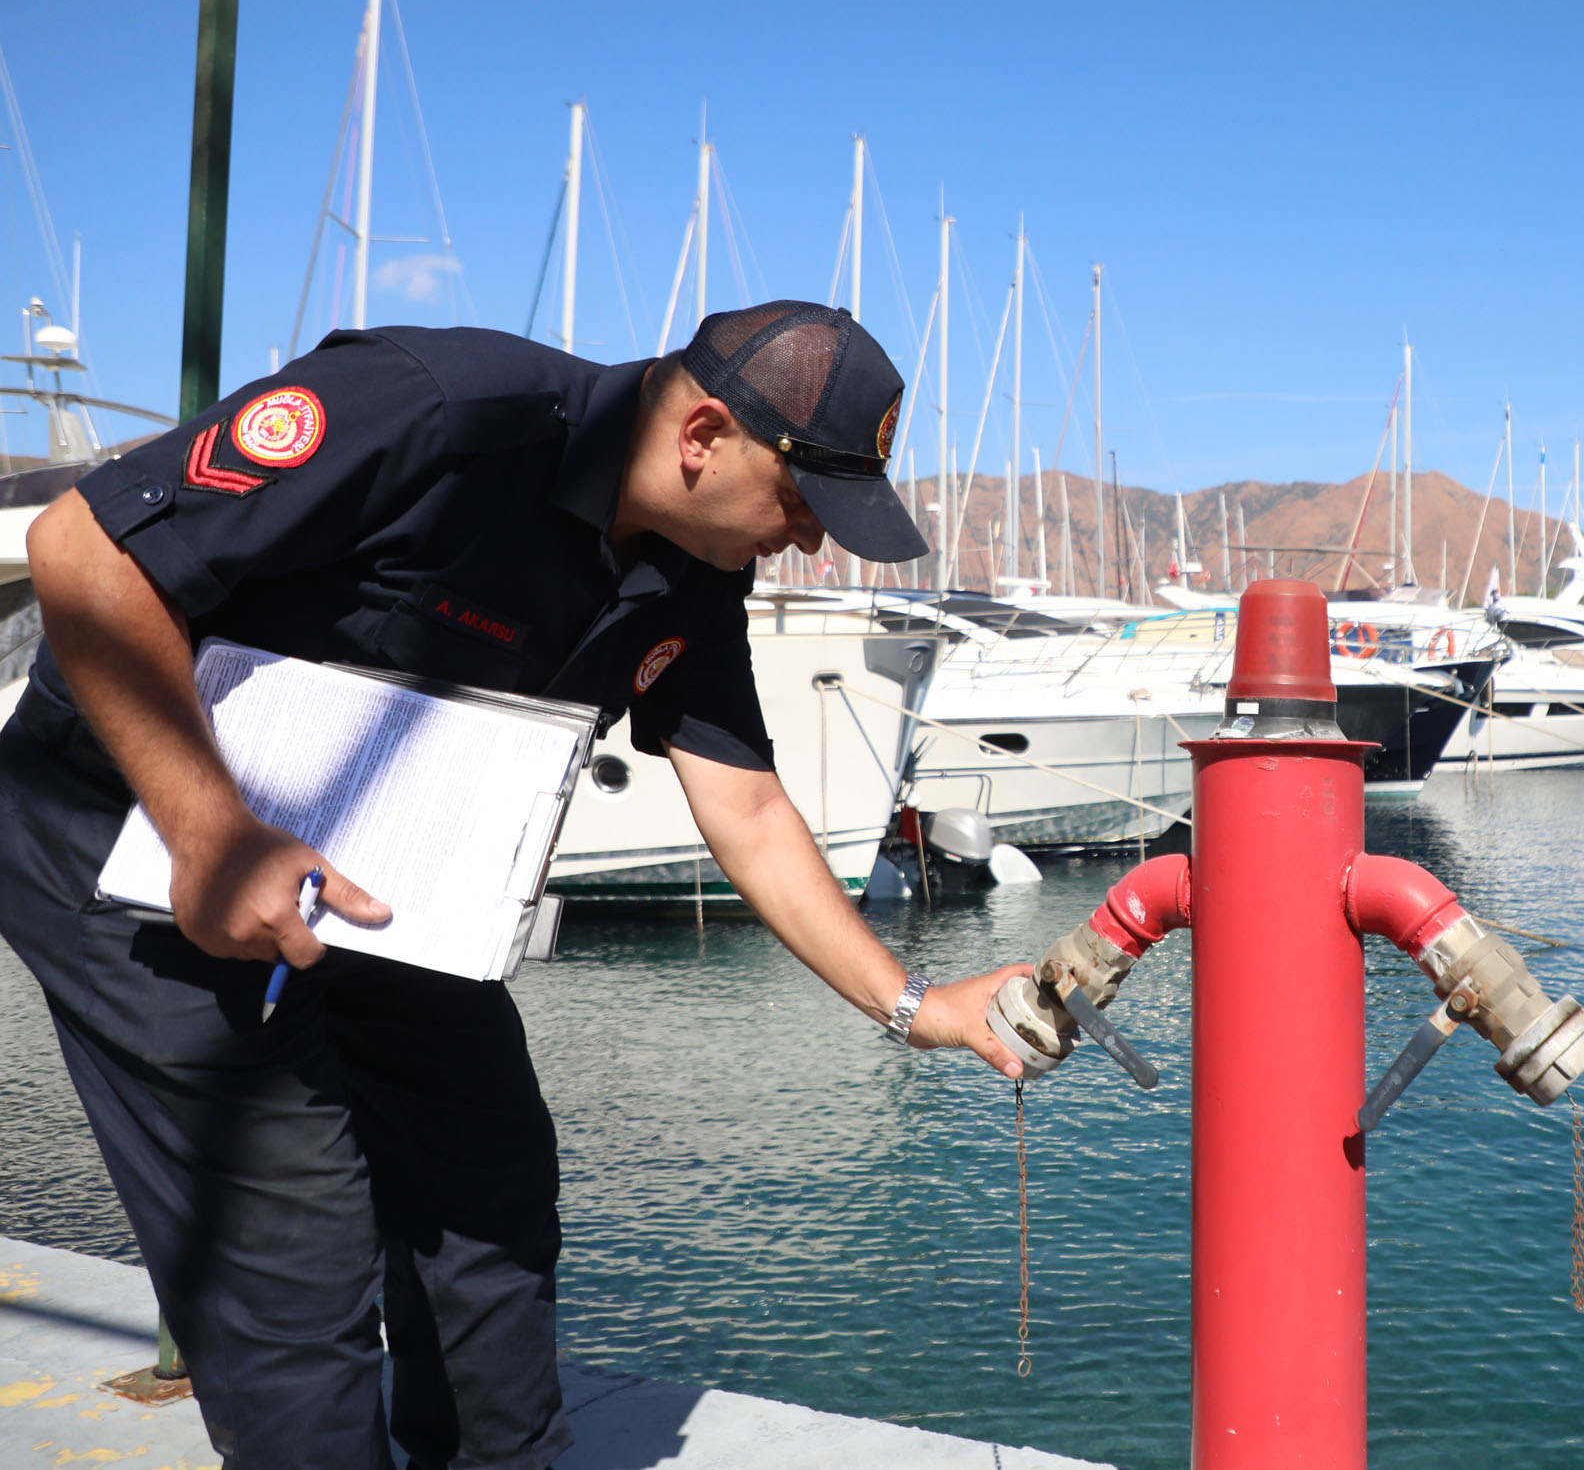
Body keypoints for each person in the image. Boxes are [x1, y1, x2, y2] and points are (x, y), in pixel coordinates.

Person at [0, 300, 1030, 1469]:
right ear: (702, 433)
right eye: (802, 503)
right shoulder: (441, 411)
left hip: (377, 872)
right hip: (140, 831)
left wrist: (914, 1001)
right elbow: (81, 551)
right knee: (293, 1240)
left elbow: (740, 796)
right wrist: (211, 833)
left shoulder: (693, 570)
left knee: (486, 1182)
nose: (808, 542)